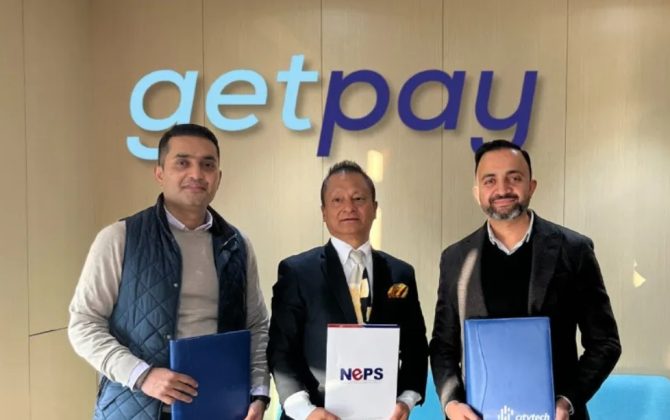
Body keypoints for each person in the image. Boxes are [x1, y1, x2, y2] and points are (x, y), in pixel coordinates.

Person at [68, 123, 270, 420]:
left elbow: (256, 325)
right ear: (160, 173)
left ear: (218, 177)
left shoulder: (237, 244)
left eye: (207, 165)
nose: (196, 174)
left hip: (217, 409)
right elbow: (84, 324)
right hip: (135, 409)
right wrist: (142, 375)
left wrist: (259, 393)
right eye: (182, 163)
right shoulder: (120, 238)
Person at [430, 140, 621, 420]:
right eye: (490, 180)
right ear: (477, 192)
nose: (502, 189)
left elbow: (605, 342)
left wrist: (567, 401)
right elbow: (443, 346)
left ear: (531, 186)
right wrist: (451, 403)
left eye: (514, 178)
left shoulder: (573, 250)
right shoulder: (455, 259)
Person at [268, 161, 428, 420]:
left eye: (358, 198)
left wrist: (406, 400)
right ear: (323, 212)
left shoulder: (401, 274)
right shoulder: (296, 272)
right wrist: (305, 411)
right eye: (337, 200)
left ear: (374, 208)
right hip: (315, 414)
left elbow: (416, 346)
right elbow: (281, 349)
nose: (349, 207)